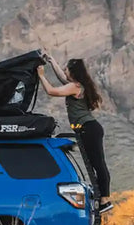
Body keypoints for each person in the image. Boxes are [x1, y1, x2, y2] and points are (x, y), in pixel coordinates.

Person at [38, 53, 112, 213]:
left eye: (67, 70)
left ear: (73, 72)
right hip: (88, 128)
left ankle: (105, 199)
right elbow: (62, 78)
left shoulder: (75, 87)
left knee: (97, 163)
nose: (65, 72)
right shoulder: (76, 85)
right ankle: (101, 197)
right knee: (94, 163)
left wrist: (41, 76)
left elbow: (52, 91)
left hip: (88, 128)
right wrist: (52, 61)